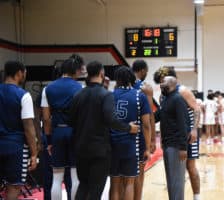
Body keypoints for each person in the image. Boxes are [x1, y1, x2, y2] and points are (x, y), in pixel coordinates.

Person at [69, 61, 139, 200]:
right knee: (96, 189)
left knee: (83, 185)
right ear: (102, 73)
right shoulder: (105, 95)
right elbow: (111, 120)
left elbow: (71, 120)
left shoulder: (78, 94)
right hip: (99, 150)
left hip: (80, 148)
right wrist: (129, 128)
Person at [154, 67, 201, 200]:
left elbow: (197, 109)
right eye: (160, 81)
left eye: (163, 80)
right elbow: (163, 117)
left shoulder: (183, 91)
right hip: (173, 137)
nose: (161, 83)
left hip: (189, 133)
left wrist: (194, 129)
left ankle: (197, 196)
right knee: (176, 171)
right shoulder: (164, 95)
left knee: (191, 167)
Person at [41, 58, 83, 200]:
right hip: (74, 133)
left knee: (57, 178)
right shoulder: (80, 87)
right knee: (75, 177)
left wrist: (49, 140)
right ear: (75, 71)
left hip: (57, 133)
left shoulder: (47, 88)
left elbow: (46, 119)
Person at [110, 66, 151, 200]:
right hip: (131, 144)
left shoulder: (110, 95)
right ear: (131, 79)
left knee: (114, 184)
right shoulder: (140, 96)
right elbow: (146, 124)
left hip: (113, 144)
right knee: (129, 182)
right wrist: (148, 147)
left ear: (117, 80)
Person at [0, 61, 38, 199]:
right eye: (25, 73)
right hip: (16, 147)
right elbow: (29, 127)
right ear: (19, 73)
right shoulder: (23, 95)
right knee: (14, 186)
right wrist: (34, 154)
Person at [155, 76, 189, 200]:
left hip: (176, 146)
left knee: (177, 182)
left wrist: (183, 148)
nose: (161, 84)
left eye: (163, 82)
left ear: (172, 84)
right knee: (170, 180)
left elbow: (183, 124)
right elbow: (155, 117)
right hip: (167, 144)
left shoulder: (178, 99)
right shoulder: (165, 99)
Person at [131, 59, 156, 200]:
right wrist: (152, 140)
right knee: (139, 173)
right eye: (146, 71)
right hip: (139, 134)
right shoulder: (145, 87)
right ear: (142, 70)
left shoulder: (121, 85)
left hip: (123, 132)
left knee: (123, 176)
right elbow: (150, 116)